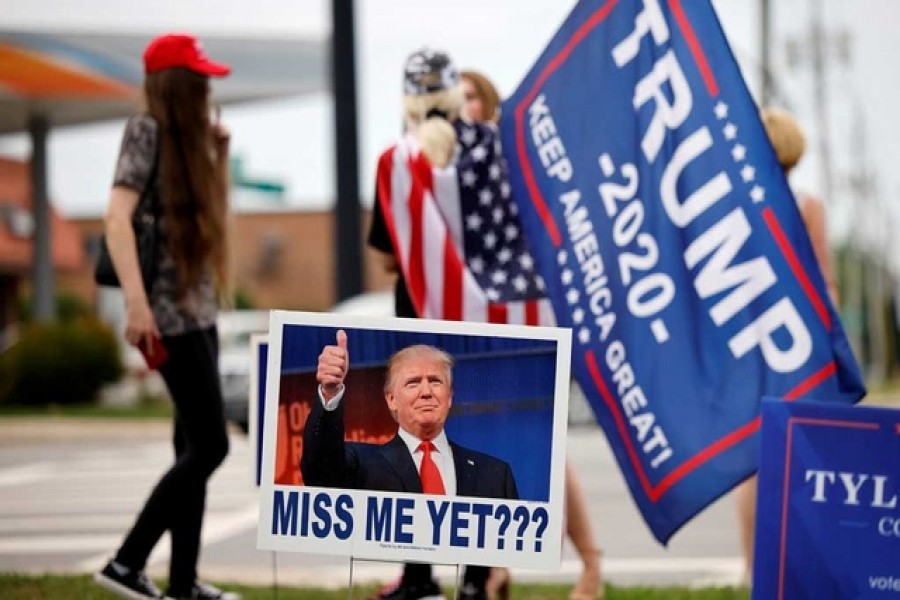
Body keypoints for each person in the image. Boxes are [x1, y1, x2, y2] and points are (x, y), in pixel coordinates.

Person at [93, 33, 239, 600]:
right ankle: (126, 563)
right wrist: (135, 302)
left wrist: (218, 154)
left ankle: (183, 583)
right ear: (178, 85)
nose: (207, 89)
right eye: (198, 80)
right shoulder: (147, 130)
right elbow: (115, 217)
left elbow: (211, 222)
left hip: (197, 312)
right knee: (212, 446)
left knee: (191, 449)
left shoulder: (188, 142)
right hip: (166, 317)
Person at [460, 68, 605, 600]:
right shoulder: (454, 164)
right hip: (479, 321)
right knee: (485, 445)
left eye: (472, 95)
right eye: (459, 97)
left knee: (545, 445)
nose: (463, 104)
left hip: (528, 315)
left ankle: (591, 563)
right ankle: (495, 568)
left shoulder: (511, 156)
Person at [303, 332, 518, 600]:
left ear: (449, 397)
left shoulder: (495, 474)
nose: (426, 391)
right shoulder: (362, 464)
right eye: (413, 383)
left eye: (435, 381)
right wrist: (329, 392)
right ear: (391, 399)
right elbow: (320, 471)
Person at [733, 106, 840, 582]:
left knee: (754, 462)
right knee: (799, 456)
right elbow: (825, 286)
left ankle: (755, 565)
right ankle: (791, 565)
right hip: (797, 346)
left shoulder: (739, 204)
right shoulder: (806, 206)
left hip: (746, 344)